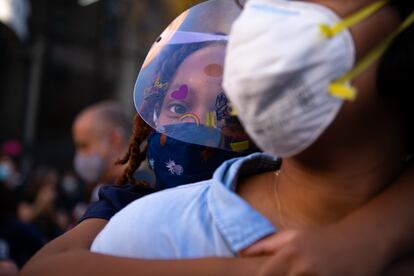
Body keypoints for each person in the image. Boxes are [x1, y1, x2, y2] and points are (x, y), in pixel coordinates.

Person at [21, 0, 414, 275]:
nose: (197, 123)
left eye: (227, 112)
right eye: (178, 108)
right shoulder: (134, 217)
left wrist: (370, 238)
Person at [72, 100, 155, 201]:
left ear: (115, 140)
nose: (79, 155)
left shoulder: (139, 191)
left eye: (84, 146)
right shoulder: (105, 189)